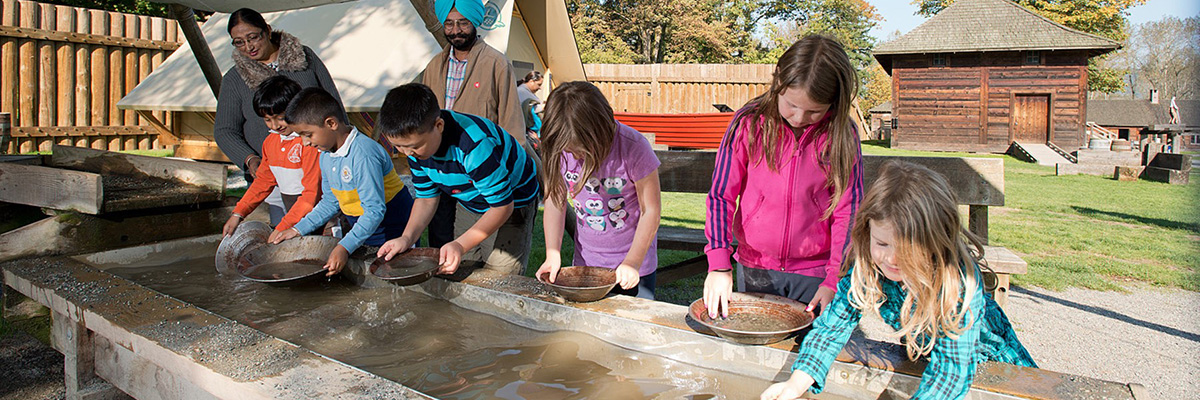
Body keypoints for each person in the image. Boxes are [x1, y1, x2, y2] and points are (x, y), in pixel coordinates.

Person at [760, 161, 1037, 400]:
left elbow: (951, 373)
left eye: (908, 249)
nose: (892, 259)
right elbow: (833, 328)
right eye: (882, 243)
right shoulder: (868, 264)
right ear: (867, 231)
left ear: (936, 241)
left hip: (995, 372)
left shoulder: (957, 281)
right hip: (930, 358)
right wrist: (795, 383)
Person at [703, 35, 864, 318]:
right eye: (791, 104)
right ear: (778, 82)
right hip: (756, 266)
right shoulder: (748, 123)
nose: (799, 118)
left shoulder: (842, 134)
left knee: (813, 343)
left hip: (816, 273)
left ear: (833, 103)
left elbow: (848, 210)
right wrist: (719, 265)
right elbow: (721, 196)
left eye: (814, 111)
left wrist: (835, 278)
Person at [375, 83, 539, 277]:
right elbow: (426, 198)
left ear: (439, 126)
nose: (407, 153)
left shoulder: (475, 145)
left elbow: (502, 207)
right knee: (464, 263)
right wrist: (406, 238)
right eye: (398, 146)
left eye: (414, 147)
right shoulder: (416, 146)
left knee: (500, 273)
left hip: (514, 199)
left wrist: (460, 244)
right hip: (470, 198)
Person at [214, 8, 343, 227]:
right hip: (274, 172)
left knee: (328, 221)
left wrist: (339, 149)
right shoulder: (234, 79)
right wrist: (250, 159)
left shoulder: (304, 58)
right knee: (285, 226)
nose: (249, 46)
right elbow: (225, 130)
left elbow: (333, 105)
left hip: (320, 162)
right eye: (239, 42)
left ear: (267, 30)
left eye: (253, 37)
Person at [268, 88, 414, 276]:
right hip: (363, 227)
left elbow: (374, 210)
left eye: (308, 134)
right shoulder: (326, 155)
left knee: (394, 275)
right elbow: (330, 201)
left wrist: (344, 246)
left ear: (331, 123)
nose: (305, 143)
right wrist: (297, 229)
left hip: (392, 226)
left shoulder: (363, 155)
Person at [535, 81, 661, 299]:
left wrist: (633, 262)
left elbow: (650, 210)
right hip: (586, 263)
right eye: (570, 151)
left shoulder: (633, 147)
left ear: (600, 131)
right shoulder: (560, 148)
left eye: (581, 150)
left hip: (634, 264)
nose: (575, 156)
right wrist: (552, 253)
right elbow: (555, 201)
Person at [421, 0, 529, 250]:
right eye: (449, 24)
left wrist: (510, 170)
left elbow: (511, 120)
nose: (455, 30)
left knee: (482, 247)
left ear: (475, 22)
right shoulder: (434, 66)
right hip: (441, 167)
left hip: (480, 172)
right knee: (440, 241)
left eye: (463, 23)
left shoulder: (496, 63)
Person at [222, 76, 321, 237]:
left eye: (280, 118)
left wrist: (282, 227)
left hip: (318, 218)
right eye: (267, 120)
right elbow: (263, 181)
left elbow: (311, 194)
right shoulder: (271, 142)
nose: (275, 126)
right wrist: (238, 213)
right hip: (294, 216)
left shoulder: (310, 144)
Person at [516, 71, 545, 147]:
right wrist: (544, 107)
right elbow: (531, 109)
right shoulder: (521, 92)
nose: (540, 88)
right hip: (526, 131)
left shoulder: (525, 92)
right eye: (539, 84)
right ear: (532, 81)